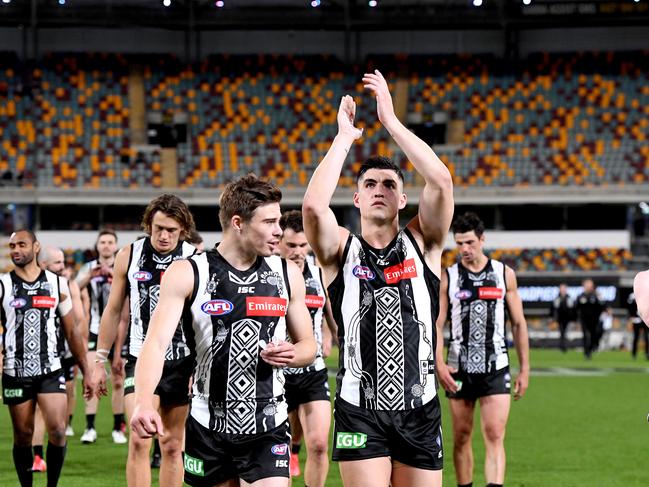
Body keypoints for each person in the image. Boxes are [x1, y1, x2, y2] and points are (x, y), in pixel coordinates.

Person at [302, 70, 453, 487]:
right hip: (359, 408)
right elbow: (313, 209)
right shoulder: (340, 250)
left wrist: (390, 122)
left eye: (389, 184)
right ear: (356, 198)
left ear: (403, 199)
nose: (379, 189)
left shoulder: (424, 243)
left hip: (419, 408)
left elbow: (440, 180)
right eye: (369, 184)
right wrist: (343, 139)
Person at [129, 174, 316, 487]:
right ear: (238, 222)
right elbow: (156, 343)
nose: (278, 231)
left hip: (267, 423)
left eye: (279, 221)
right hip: (207, 426)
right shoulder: (188, 272)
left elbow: (308, 344)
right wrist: (144, 402)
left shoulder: (287, 273)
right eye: (269, 222)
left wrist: (293, 353)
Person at [91, 194, 197, 486]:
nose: (163, 236)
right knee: (139, 440)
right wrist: (99, 359)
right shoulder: (130, 254)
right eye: (158, 228)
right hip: (139, 357)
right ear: (148, 224)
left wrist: (199, 367)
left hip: (182, 361)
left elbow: (203, 320)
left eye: (171, 230)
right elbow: (113, 310)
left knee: (174, 446)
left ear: (183, 230)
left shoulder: (194, 257)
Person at [435, 212, 530, 487]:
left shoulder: (503, 274)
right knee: (462, 435)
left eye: (469, 242)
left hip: (496, 367)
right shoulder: (449, 278)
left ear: (482, 239)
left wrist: (524, 369)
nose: (464, 249)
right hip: (458, 368)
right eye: (459, 243)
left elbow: (519, 324)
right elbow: (437, 324)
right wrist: (440, 364)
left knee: (494, 434)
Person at [1, 230, 91, 487]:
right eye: (12, 246)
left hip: (50, 368)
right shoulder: (3, 284)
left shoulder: (57, 283)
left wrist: (87, 369)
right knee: (23, 435)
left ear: (35, 246)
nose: (16, 250)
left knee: (59, 431)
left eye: (21, 244)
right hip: (15, 371)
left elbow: (71, 329)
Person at [278, 210, 335, 486]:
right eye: (291, 245)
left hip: (313, 371)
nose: (298, 251)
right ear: (278, 242)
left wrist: (328, 336)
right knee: (277, 453)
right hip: (275, 375)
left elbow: (330, 316)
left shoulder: (320, 272)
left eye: (302, 245)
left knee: (320, 444)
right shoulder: (267, 275)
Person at [31, 246, 87, 473]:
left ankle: (62, 433)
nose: (63, 267)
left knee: (68, 394)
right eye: (57, 263)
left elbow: (79, 319)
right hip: (44, 356)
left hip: (65, 352)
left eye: (63, 262)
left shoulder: (67, 284)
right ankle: (37, 456)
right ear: (43, 265)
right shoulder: (35, 287)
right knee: (39, 409)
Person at [76, 229, 127, 444]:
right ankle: (89, 428)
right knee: (92, 378)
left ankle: (118, 427)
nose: (106, 246)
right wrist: (91, 276)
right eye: (103, 242)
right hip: (95, 330)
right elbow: (72, 287)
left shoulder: (123, 267)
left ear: (115, 246)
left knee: (118, 380)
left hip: (120, 331)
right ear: (97, 246)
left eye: (110, 242)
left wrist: (112, 274)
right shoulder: (88, 268)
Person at [575, 279, 604, 359]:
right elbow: (576, 308)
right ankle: (586, 353)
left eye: (590, 285)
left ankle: (591, 349)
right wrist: (576, 320)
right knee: (585, 335)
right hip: (584, 319)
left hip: (594, 320)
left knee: (593, 335)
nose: (589, 287)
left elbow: (602, 306)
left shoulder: (596, 296)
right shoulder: (580, 296)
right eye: (587, 285)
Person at [550, 283, 575, 352]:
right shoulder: (557, 298)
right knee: (562, 332)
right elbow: (553, 309)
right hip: (559, 319)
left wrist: (572, 318)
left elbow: (572, 309)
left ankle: (563, 346)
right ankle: (562, 346)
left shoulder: (569, 298)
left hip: (567, 318)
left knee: (564, 332)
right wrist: (554, 319)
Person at [627, 291, 648, 359]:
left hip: (644, 318)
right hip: (636, 319)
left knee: (646, 337)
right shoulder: (633, 295)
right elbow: (630, 307)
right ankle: (634, 353)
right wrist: (632, 316)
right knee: (636, 337)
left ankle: (647, 353)